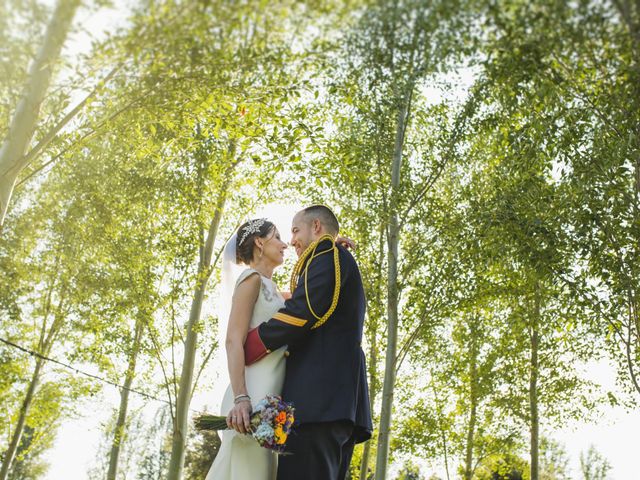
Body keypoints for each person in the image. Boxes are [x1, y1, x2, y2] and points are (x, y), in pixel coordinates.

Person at [244, 205, 373, 480]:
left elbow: (305, 311)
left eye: (294, 230)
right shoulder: (332, 257)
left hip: (319, 404)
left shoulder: (328, 255)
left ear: (316, 227)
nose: (291, 241)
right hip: (333, 403)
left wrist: (255, 343)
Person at [205, 218, 289, 480]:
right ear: (260, 243)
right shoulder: (251, 280)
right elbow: (233, 340)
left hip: (271, 399)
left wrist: (333, 251)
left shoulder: (274, 289)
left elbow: (309, 292)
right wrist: (241, 399)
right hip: (251, 397)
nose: (284, 244)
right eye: (277, 237)